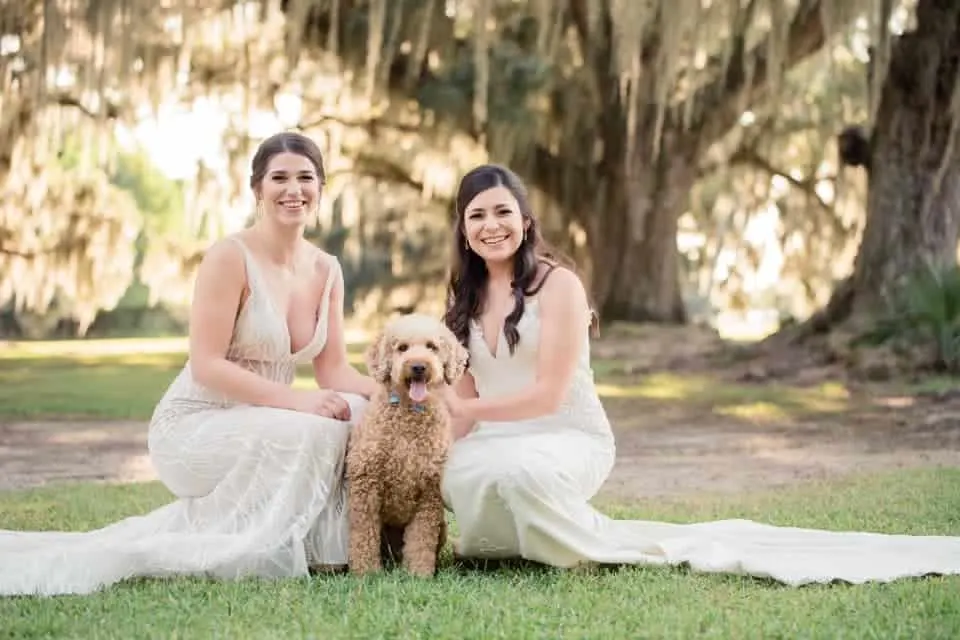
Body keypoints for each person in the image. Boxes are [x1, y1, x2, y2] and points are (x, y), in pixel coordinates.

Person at [439, 163, 960, 586]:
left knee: (519, 473)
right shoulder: (461, 302)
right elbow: (460, 414)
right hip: (496, 436)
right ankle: (511, 545)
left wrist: (466, 410)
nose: (492, 225)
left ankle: (572, 543)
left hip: (566, 436)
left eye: (503, 212)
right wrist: (430, 437)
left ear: (526, 221)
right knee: (452, 469)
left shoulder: (559, 286)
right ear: (463, 228)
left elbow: (548, 396)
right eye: (477, 215)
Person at [0, 131, 379, 597]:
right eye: (279, 177)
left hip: (272, 416)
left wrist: (390, 392)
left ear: (321, 187)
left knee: (360, 415)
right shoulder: (229, 256)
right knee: (316, 428)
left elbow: (335, 372)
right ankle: (267, 545)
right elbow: (207, 366)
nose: (293, 189)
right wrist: (299, 401)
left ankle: (344, 547)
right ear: (257, 188)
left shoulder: (327, 270)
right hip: (198, 423)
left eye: (305, 178)